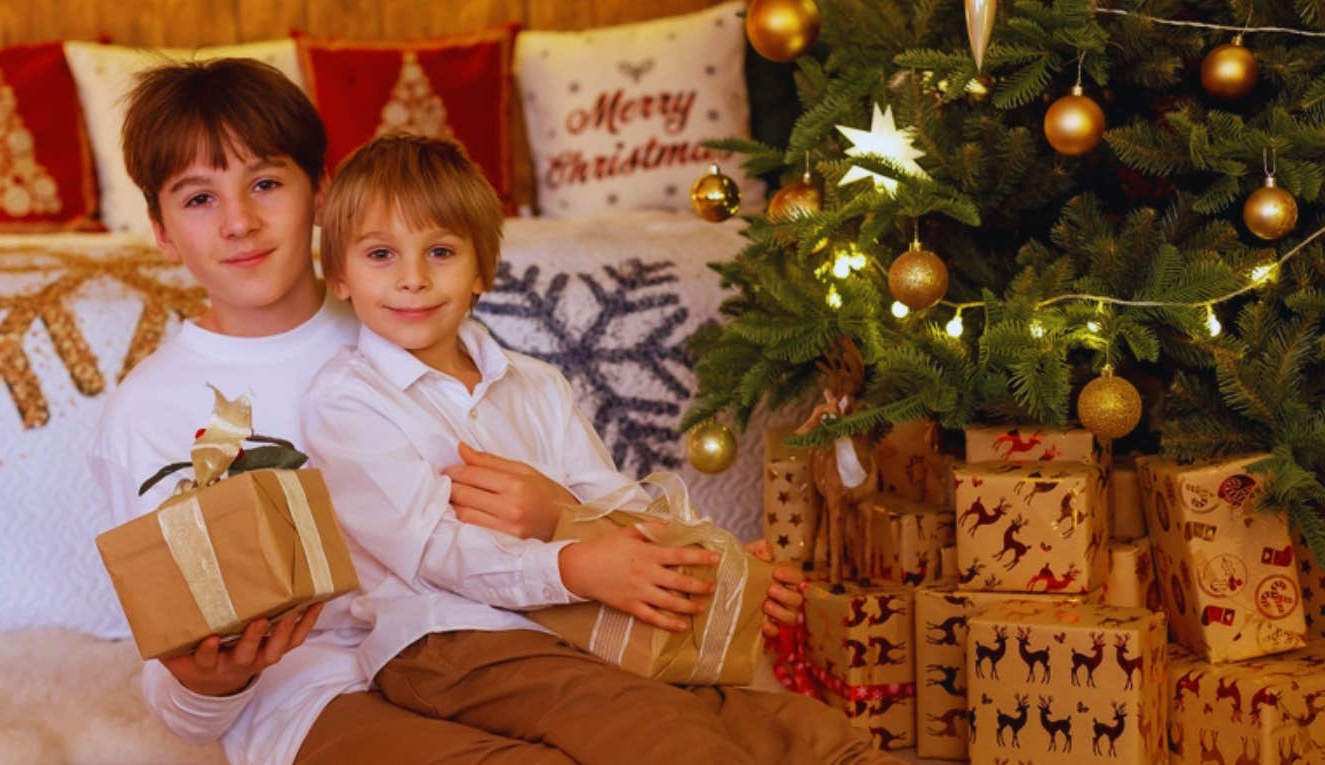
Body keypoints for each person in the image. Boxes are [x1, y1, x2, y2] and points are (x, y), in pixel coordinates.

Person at [87, 58, 670, 765]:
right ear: (161, 229)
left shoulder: (409, 319)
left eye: (266, 182)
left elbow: (566, 490)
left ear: (322, 196)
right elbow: (179, 701)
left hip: (505, 651)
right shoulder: (146, 414)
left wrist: (560, 510)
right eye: (199, 198)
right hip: (316, 702)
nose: (240, 221)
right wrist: (208, 681)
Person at [298, 133, 873, 764]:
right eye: (381, 254)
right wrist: (573, 568)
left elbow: (608, 498)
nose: (412, 279)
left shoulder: (535, 384)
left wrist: (707, 554)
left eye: (440, 251)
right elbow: (434, 550)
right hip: (447, 642)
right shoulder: (348, 400)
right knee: (649, 725)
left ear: (481, 270)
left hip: (575, 626)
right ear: (340, 276)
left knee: (792, 725)